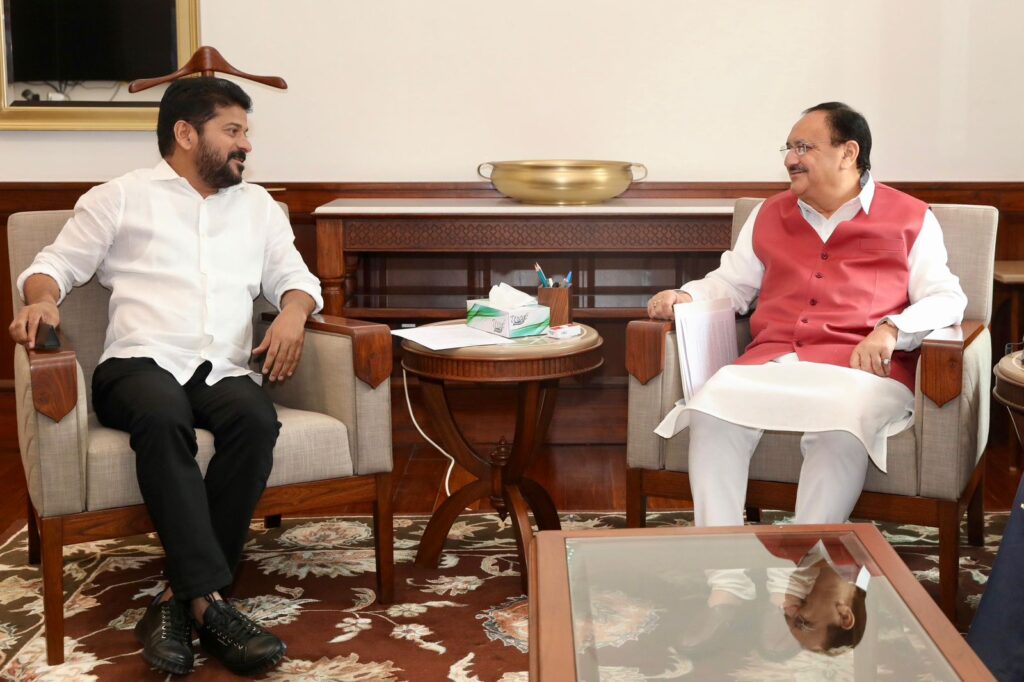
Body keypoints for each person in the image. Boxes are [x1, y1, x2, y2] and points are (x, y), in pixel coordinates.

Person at [8, 77, 323, 677]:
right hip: (137, 364)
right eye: (233, 130)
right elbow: (52, 266)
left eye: (246, 132)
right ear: (185, 134)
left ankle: (177, 601)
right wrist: (43, 300)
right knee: (162, 416)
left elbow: (295, 277)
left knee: (256, 420)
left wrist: (292, 312)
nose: (246, 145)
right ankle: (210, 603)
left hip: (223, 367)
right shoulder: (119, 198)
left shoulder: (257, 206)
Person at [647, 102, 966, 645]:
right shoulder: (770, 213)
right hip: (775, 360)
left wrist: (891, 329)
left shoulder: (911, 216)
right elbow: (734, 285)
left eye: (803, 148)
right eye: (788, 149)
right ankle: (725, 586)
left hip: (861, 372)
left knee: (839, 429)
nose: (791, 160)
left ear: (849, 153)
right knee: (712, 409)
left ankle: (798, 585)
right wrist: (688, 295)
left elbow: (946, 298)